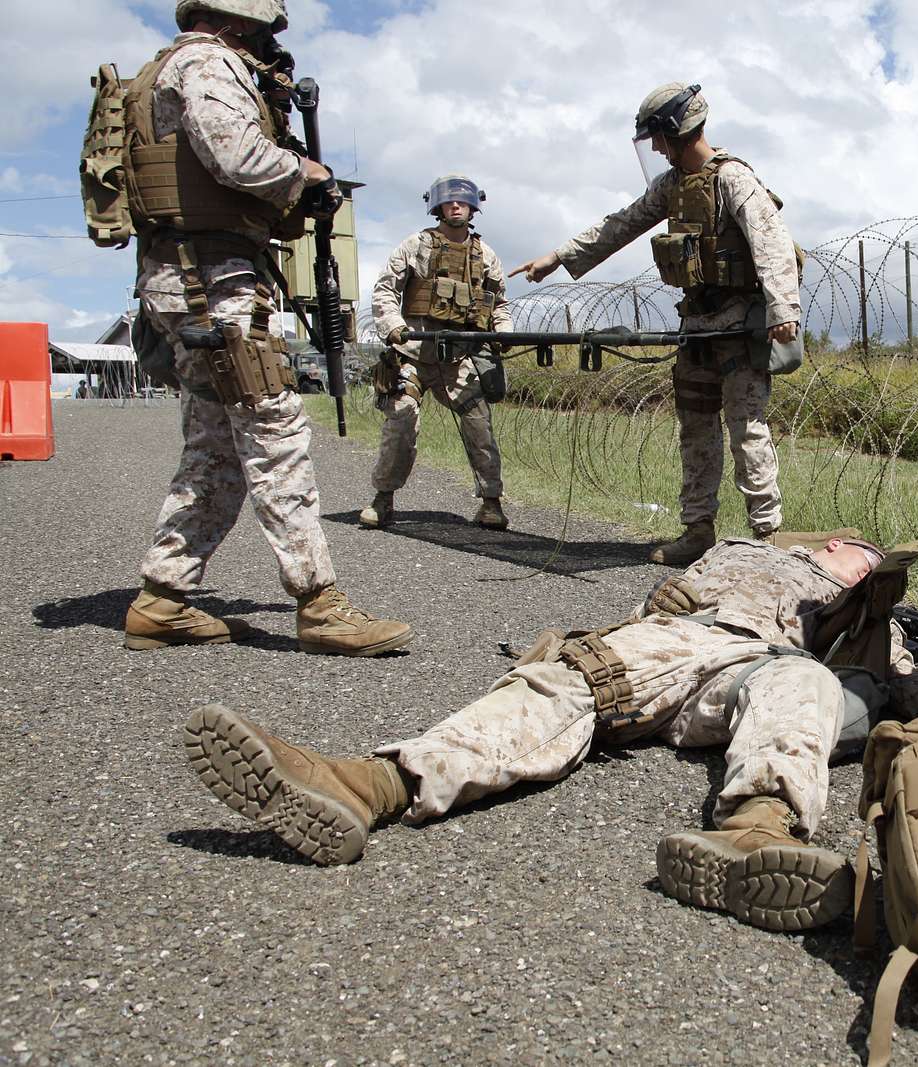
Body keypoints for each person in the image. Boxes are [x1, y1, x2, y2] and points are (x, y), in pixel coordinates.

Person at [182, 536, 918, 931]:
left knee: (804, 681)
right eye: (849, 551)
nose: (854, 562)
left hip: (758, 672)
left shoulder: (871, 617)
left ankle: (754, 830)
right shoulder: (747, 553)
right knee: (568, 680)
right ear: (821, 544)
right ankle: (372, 784)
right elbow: (664, 601)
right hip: (678, 641)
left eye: (865, 560)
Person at [121, 0, 411, 657]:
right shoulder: (206, 62)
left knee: (214, 450)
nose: (264, 47)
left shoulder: (163, 69)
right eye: (261, 33)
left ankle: (162, 598)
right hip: (213, 286)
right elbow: (236, 157)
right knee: (275, 433)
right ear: (241, 22)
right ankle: (321, 604)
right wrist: (303, 174)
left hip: (183, 283)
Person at [510, 83, 801, 565]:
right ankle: (698, 531)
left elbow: (770, 240)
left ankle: (766, 539)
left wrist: (782, 310)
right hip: (698, 325)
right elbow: (619, 225)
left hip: (739, 326)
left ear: (678, 130)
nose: (658, 149)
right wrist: (559, 257)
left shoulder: (733, 179)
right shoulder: (670, 186)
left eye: (660, 139)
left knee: (747, 429)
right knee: (695, 429)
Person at [361, 175, 513, 531]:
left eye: (462, 202)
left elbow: (500, 304)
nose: (456, 206)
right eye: (449, 202)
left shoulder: (486, 256)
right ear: (438, 207)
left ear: (473, 207)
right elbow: (385, 290)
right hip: (413, 354)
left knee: (480, 426)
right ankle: (383, 499)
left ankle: (491, 502)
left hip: (456, 358)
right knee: (401, 420)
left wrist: (504, 333)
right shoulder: (416, 245)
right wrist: (392, 326)